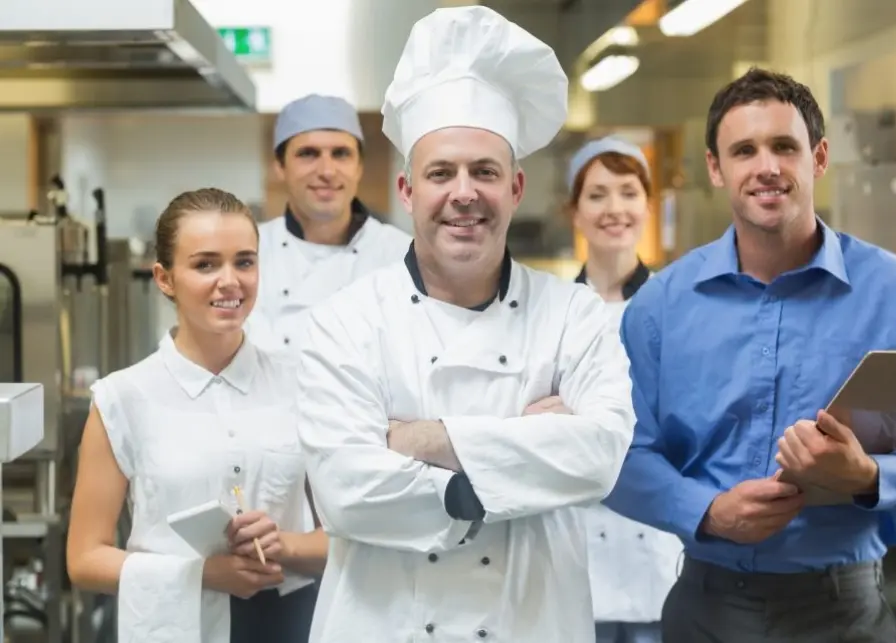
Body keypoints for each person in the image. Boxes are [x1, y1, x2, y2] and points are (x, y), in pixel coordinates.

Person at [603, 67, 896, 642]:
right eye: (744, 150)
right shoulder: (660, 305)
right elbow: (616, 453)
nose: (767, 167)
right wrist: (706, 511)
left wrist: (868, 475)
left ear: (819, 157)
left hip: (845, 613)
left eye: (785, 146)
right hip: (705, 609)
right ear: (716, 167)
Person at [296, 6, 635, 642]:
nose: (464, 192)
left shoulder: (575, 315)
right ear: (405, 189)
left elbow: (599, 458)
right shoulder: (344, 323)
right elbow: (344, 491)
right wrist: (520, 449)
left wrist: (419, 441)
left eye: (484, 171)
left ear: (515, 187)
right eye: (440, 172)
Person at [66, 188, 327, 642]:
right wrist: (203, 574)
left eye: (244, 262)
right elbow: (84, 559)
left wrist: (284, 545)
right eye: (206, 264)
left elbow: (345, 538)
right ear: (164, 278)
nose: (230, 281)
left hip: (287, 625)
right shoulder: (123, 398)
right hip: (171, 627)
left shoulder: (303, 387)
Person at [566, 136, 684, 643]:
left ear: (648, 206)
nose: (614, 208)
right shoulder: (551, 312)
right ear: (574, 211)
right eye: (596, 194)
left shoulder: (679, 307)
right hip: (574, 541)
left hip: (654, 539)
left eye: (628, 192)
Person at [246, 93, 411, 354]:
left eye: (341, 154)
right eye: (308, 154)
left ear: (359, 167)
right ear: (279, 166)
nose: (326, 171)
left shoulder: (402, 256)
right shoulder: (247, 252)